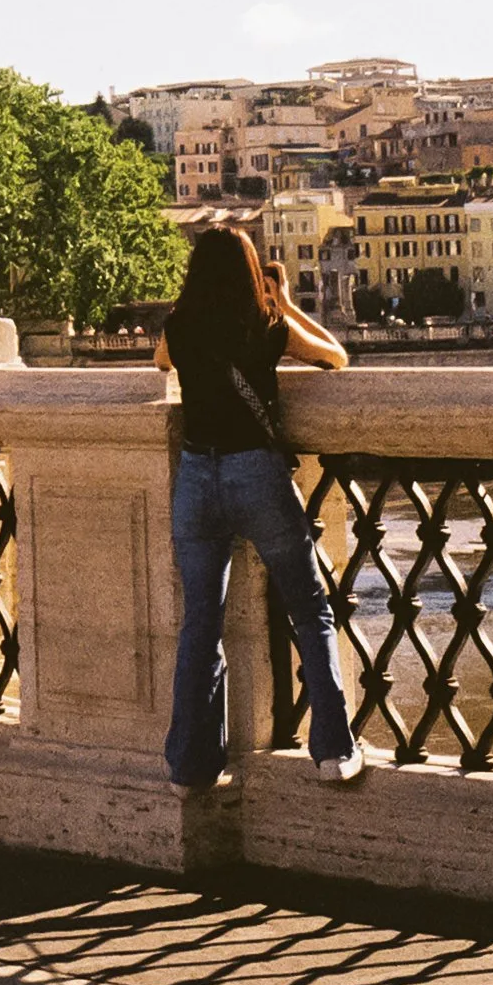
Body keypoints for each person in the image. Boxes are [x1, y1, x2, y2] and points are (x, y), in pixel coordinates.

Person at [155, 229, 361, 790]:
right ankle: (333, 750)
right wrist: (287, 303)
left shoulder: (181, 326)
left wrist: (185, 310)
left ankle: (190, 762)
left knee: (201, 622)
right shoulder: (265, 327)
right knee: (308, 608)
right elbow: (336, 357)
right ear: (253, 273)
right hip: (255, 475)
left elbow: (160, 363)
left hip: (197, 479)